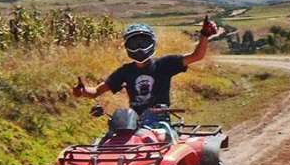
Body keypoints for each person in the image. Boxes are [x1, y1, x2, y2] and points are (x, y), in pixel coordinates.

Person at [72, 17, 218, 132]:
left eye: (143, 43)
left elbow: (197, 56)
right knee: (111, 141)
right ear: (127, 47)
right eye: (134, 44)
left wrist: (204, 35)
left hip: (161, 122)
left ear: (152, 43)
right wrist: (82, 91)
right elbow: (96, 91)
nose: (140, 48)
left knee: (162, 145)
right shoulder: (125, 71)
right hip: (132, 123)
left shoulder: (164, 64)